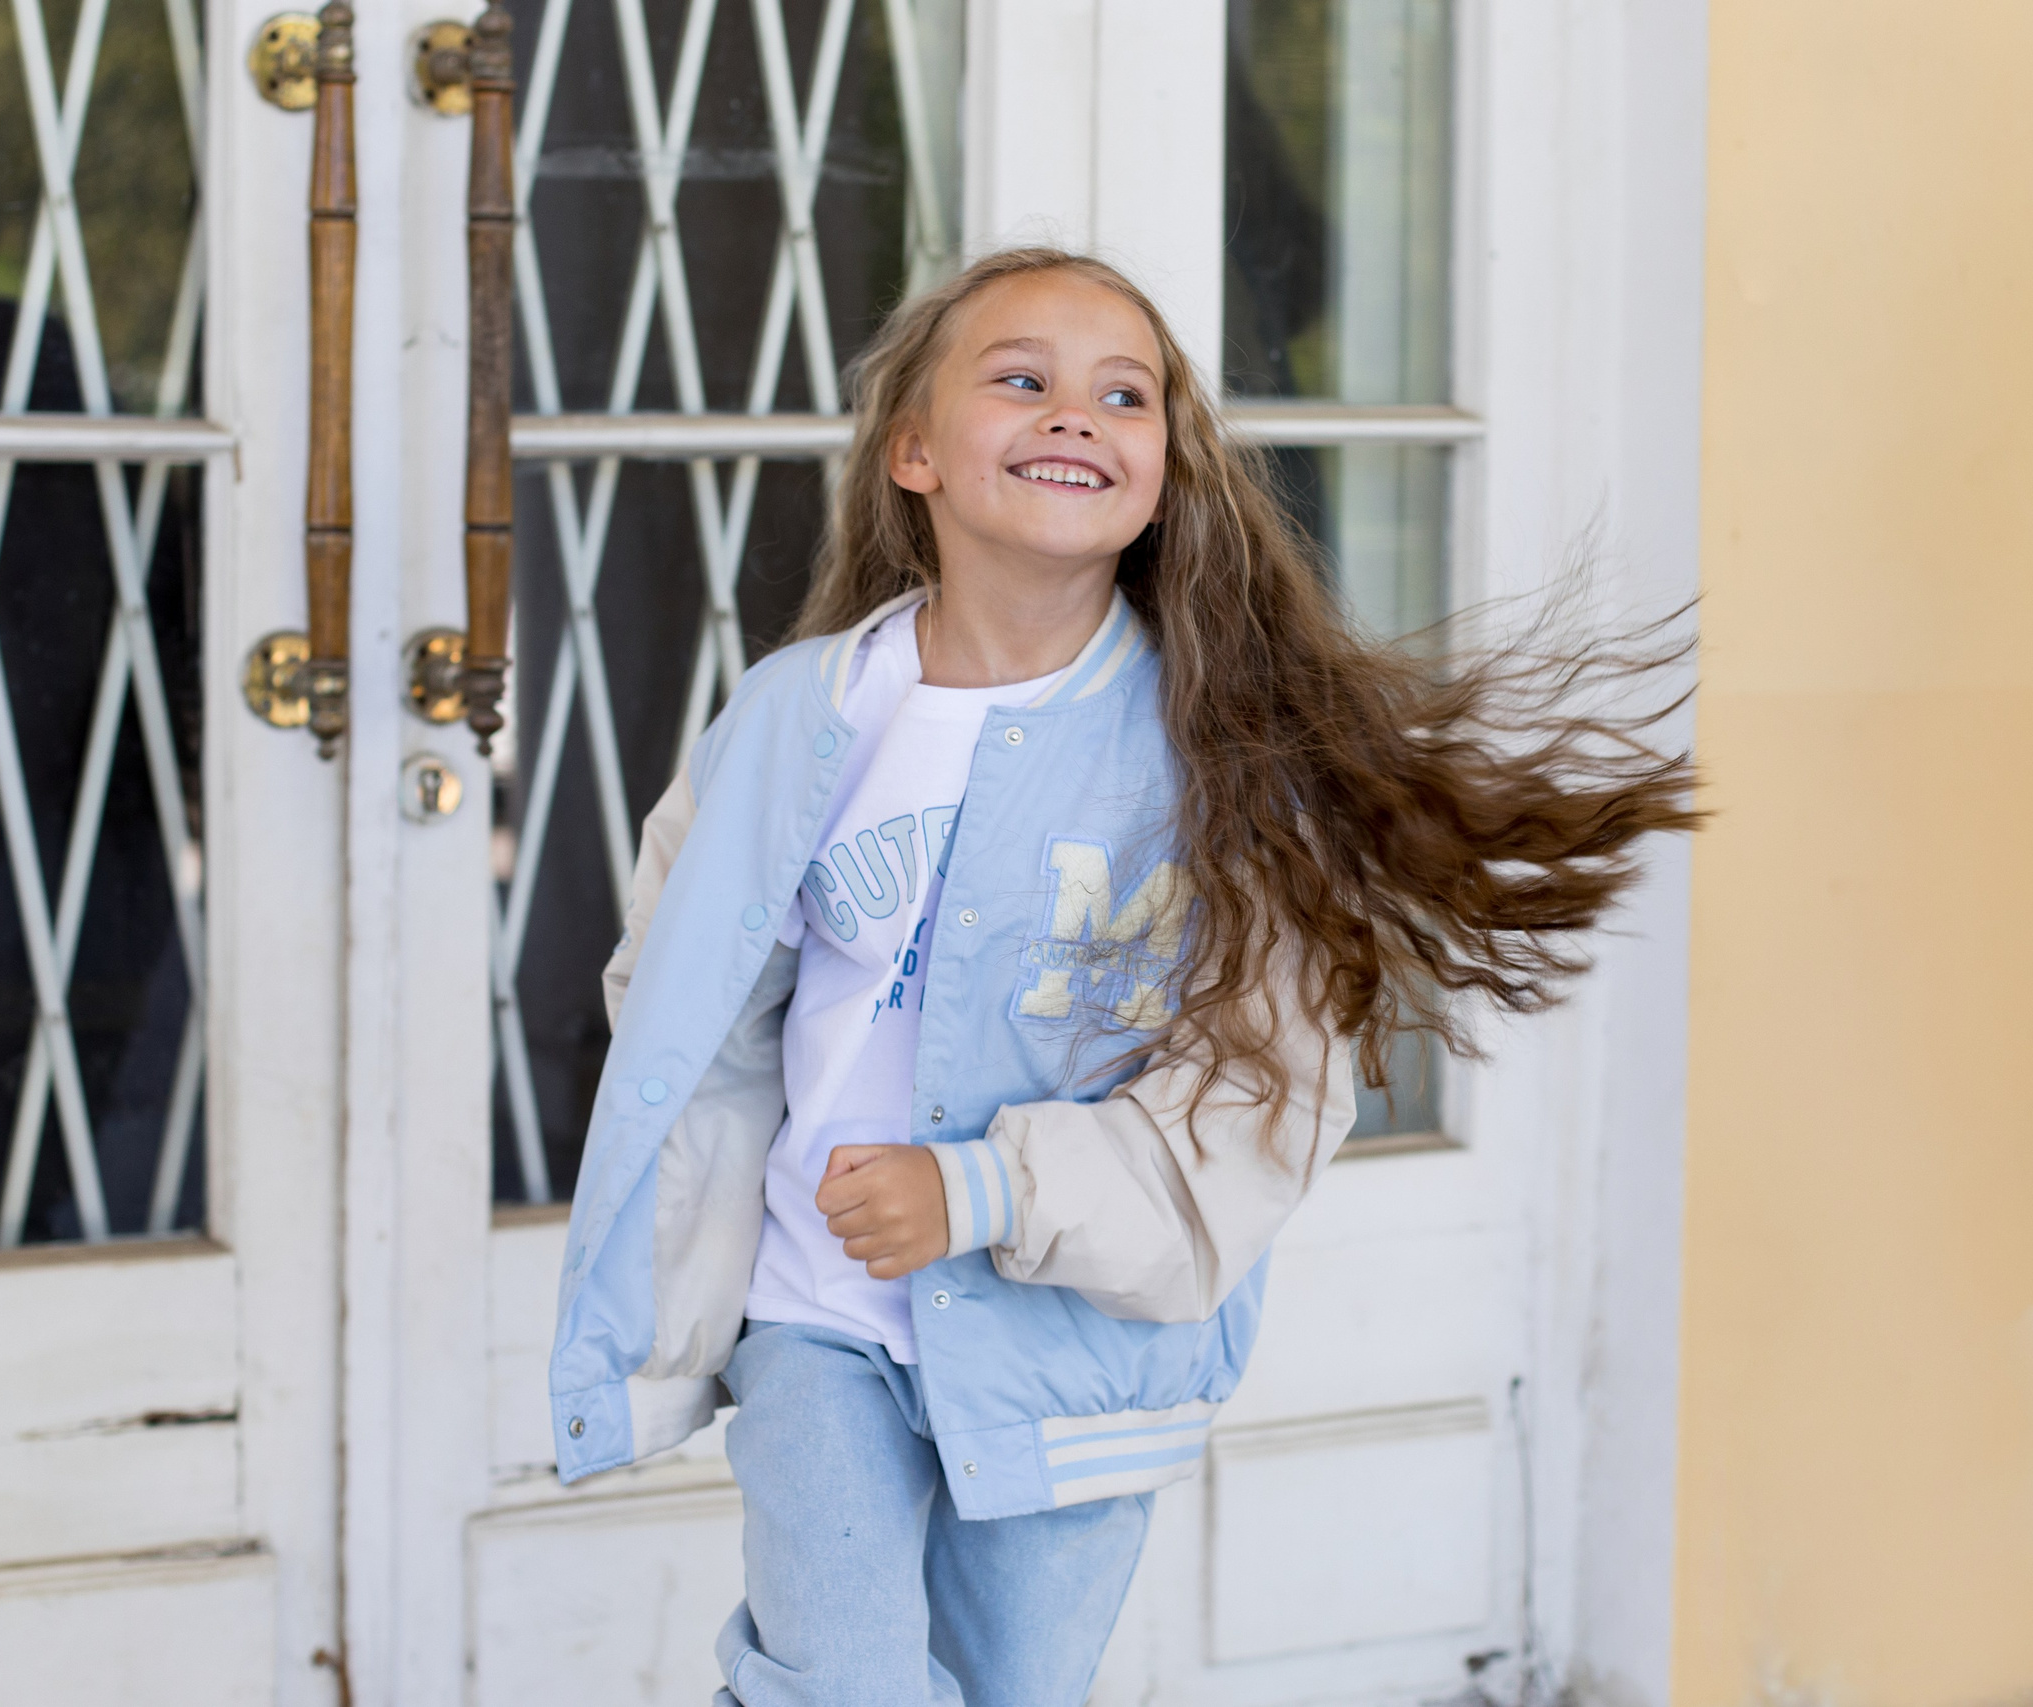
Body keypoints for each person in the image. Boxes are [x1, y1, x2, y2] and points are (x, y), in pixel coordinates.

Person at [546, 247, 1696, 1706]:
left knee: (1020, 1687)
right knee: (835, 1681)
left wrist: (985, 1190)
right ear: (914, 451)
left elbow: (1260, 1096)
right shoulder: (796, 721)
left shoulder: (1223, 765)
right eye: (1020, 379)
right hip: (815, 1306)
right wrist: (671, 1257)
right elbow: (683, 1000)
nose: (1073, 415)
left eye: (1123, 396)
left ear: (1163, 471)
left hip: (1070, 1363)